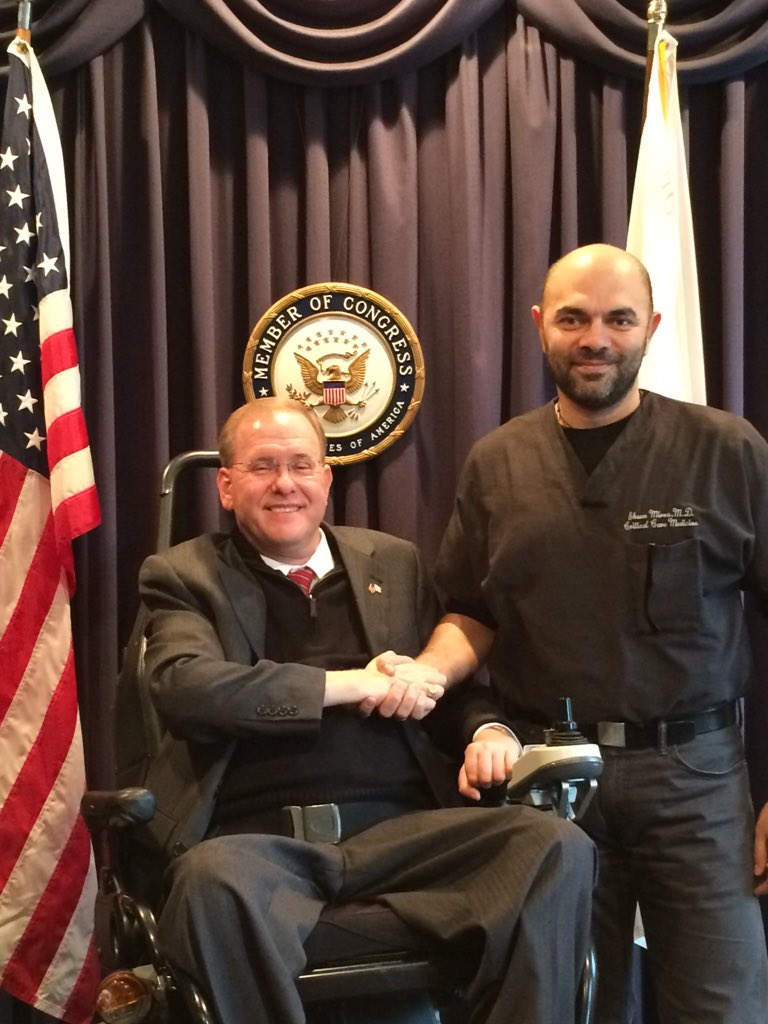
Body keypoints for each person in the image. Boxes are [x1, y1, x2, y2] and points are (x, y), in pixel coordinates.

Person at [136, 396, 596, 1024]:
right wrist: (351, 684)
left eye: (302, 465)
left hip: (401, 834)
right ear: (226, 486)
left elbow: (444, 691)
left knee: (553, 845)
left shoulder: (393, 562)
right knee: (209, 884)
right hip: (260, 841)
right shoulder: (184, 574)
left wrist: (488, 732)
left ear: (326, 479)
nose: (285, 484)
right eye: (263, 466)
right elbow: (188, 688)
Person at [410, 243, 768, 1023]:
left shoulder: (728, 451)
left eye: (618, 320)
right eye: (573, 319)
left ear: (652, 327)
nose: (595, 339)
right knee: (563, 1006)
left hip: (697, 782)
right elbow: (471, 613)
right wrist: (425, 674)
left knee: (723, 1004)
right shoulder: (497, 463)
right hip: (551, 781)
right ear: (541, 324)